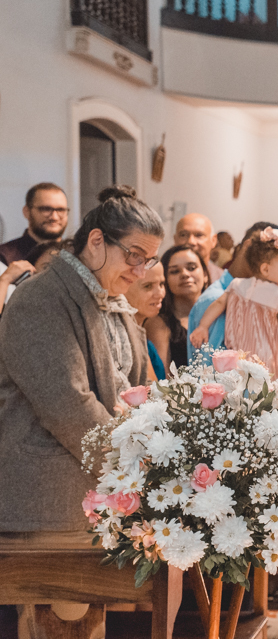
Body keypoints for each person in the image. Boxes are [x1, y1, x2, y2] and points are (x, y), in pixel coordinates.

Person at [0, 186, 162, 533]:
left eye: (148, 260)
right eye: (134, 255)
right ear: (97, 240)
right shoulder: (41, 298)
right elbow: (68, 405)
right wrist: (136, 469)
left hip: (102, 496)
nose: (140, 271)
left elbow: (136, 391)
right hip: (47, 504)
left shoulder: (112, 298)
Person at [190, 226, 278, 378]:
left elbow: (218, 304)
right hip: (266, 360)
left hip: (238, 357)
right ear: (265, 269)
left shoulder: (237, 285)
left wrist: (203, 326)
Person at [150, 245, 209, 374]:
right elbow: (162, 380)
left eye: (191, 268)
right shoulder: (158, 323)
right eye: (174, 271)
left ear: (205, 275)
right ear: (165, 280)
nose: (185, 274)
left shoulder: (220, 315)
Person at [0, 183, 68, 265]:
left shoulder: (76, 254)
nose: (54, 217)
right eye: (46, 209)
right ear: (26, 211)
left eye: (60, 210)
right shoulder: (4, 256)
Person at [124, 262, 167, 381]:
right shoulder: (123, 341)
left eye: (162, 284)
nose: (160, 294)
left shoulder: (146, 343)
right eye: (148, 286)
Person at [174, 212, 223, 281]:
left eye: (199, 235)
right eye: (183, 235)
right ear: (175, 240)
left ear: (213, 240)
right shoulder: (161, 278)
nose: (191, 242)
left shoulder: (223, 282)